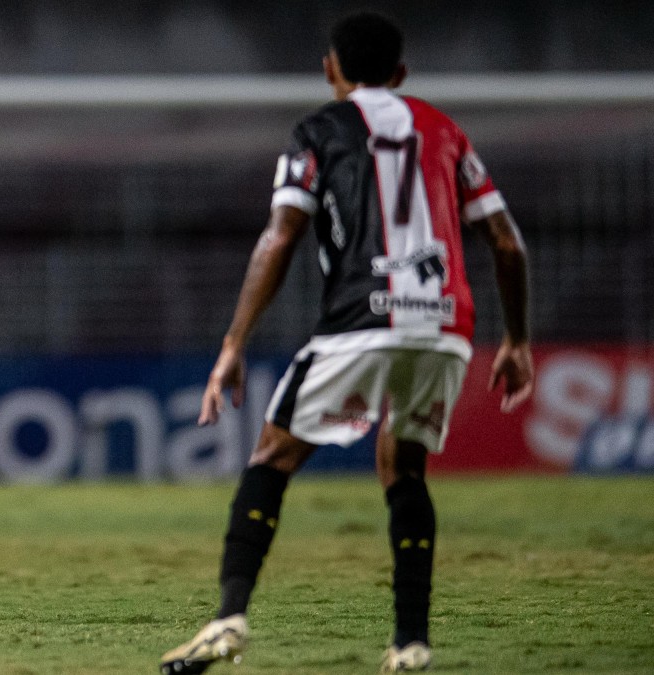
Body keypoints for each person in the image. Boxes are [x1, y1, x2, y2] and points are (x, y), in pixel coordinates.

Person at [160, 11, 532, 674]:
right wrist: (519, 339)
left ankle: (227, 618)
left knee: (272, 455)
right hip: (447, 323)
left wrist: (234, 341)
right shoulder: (446, 131)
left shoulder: (318, 130)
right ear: (402, 74)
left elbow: (280, 235)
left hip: (361, 317)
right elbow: (506, 240)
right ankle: (411, 642)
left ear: (330, 69)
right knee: (404, 464)